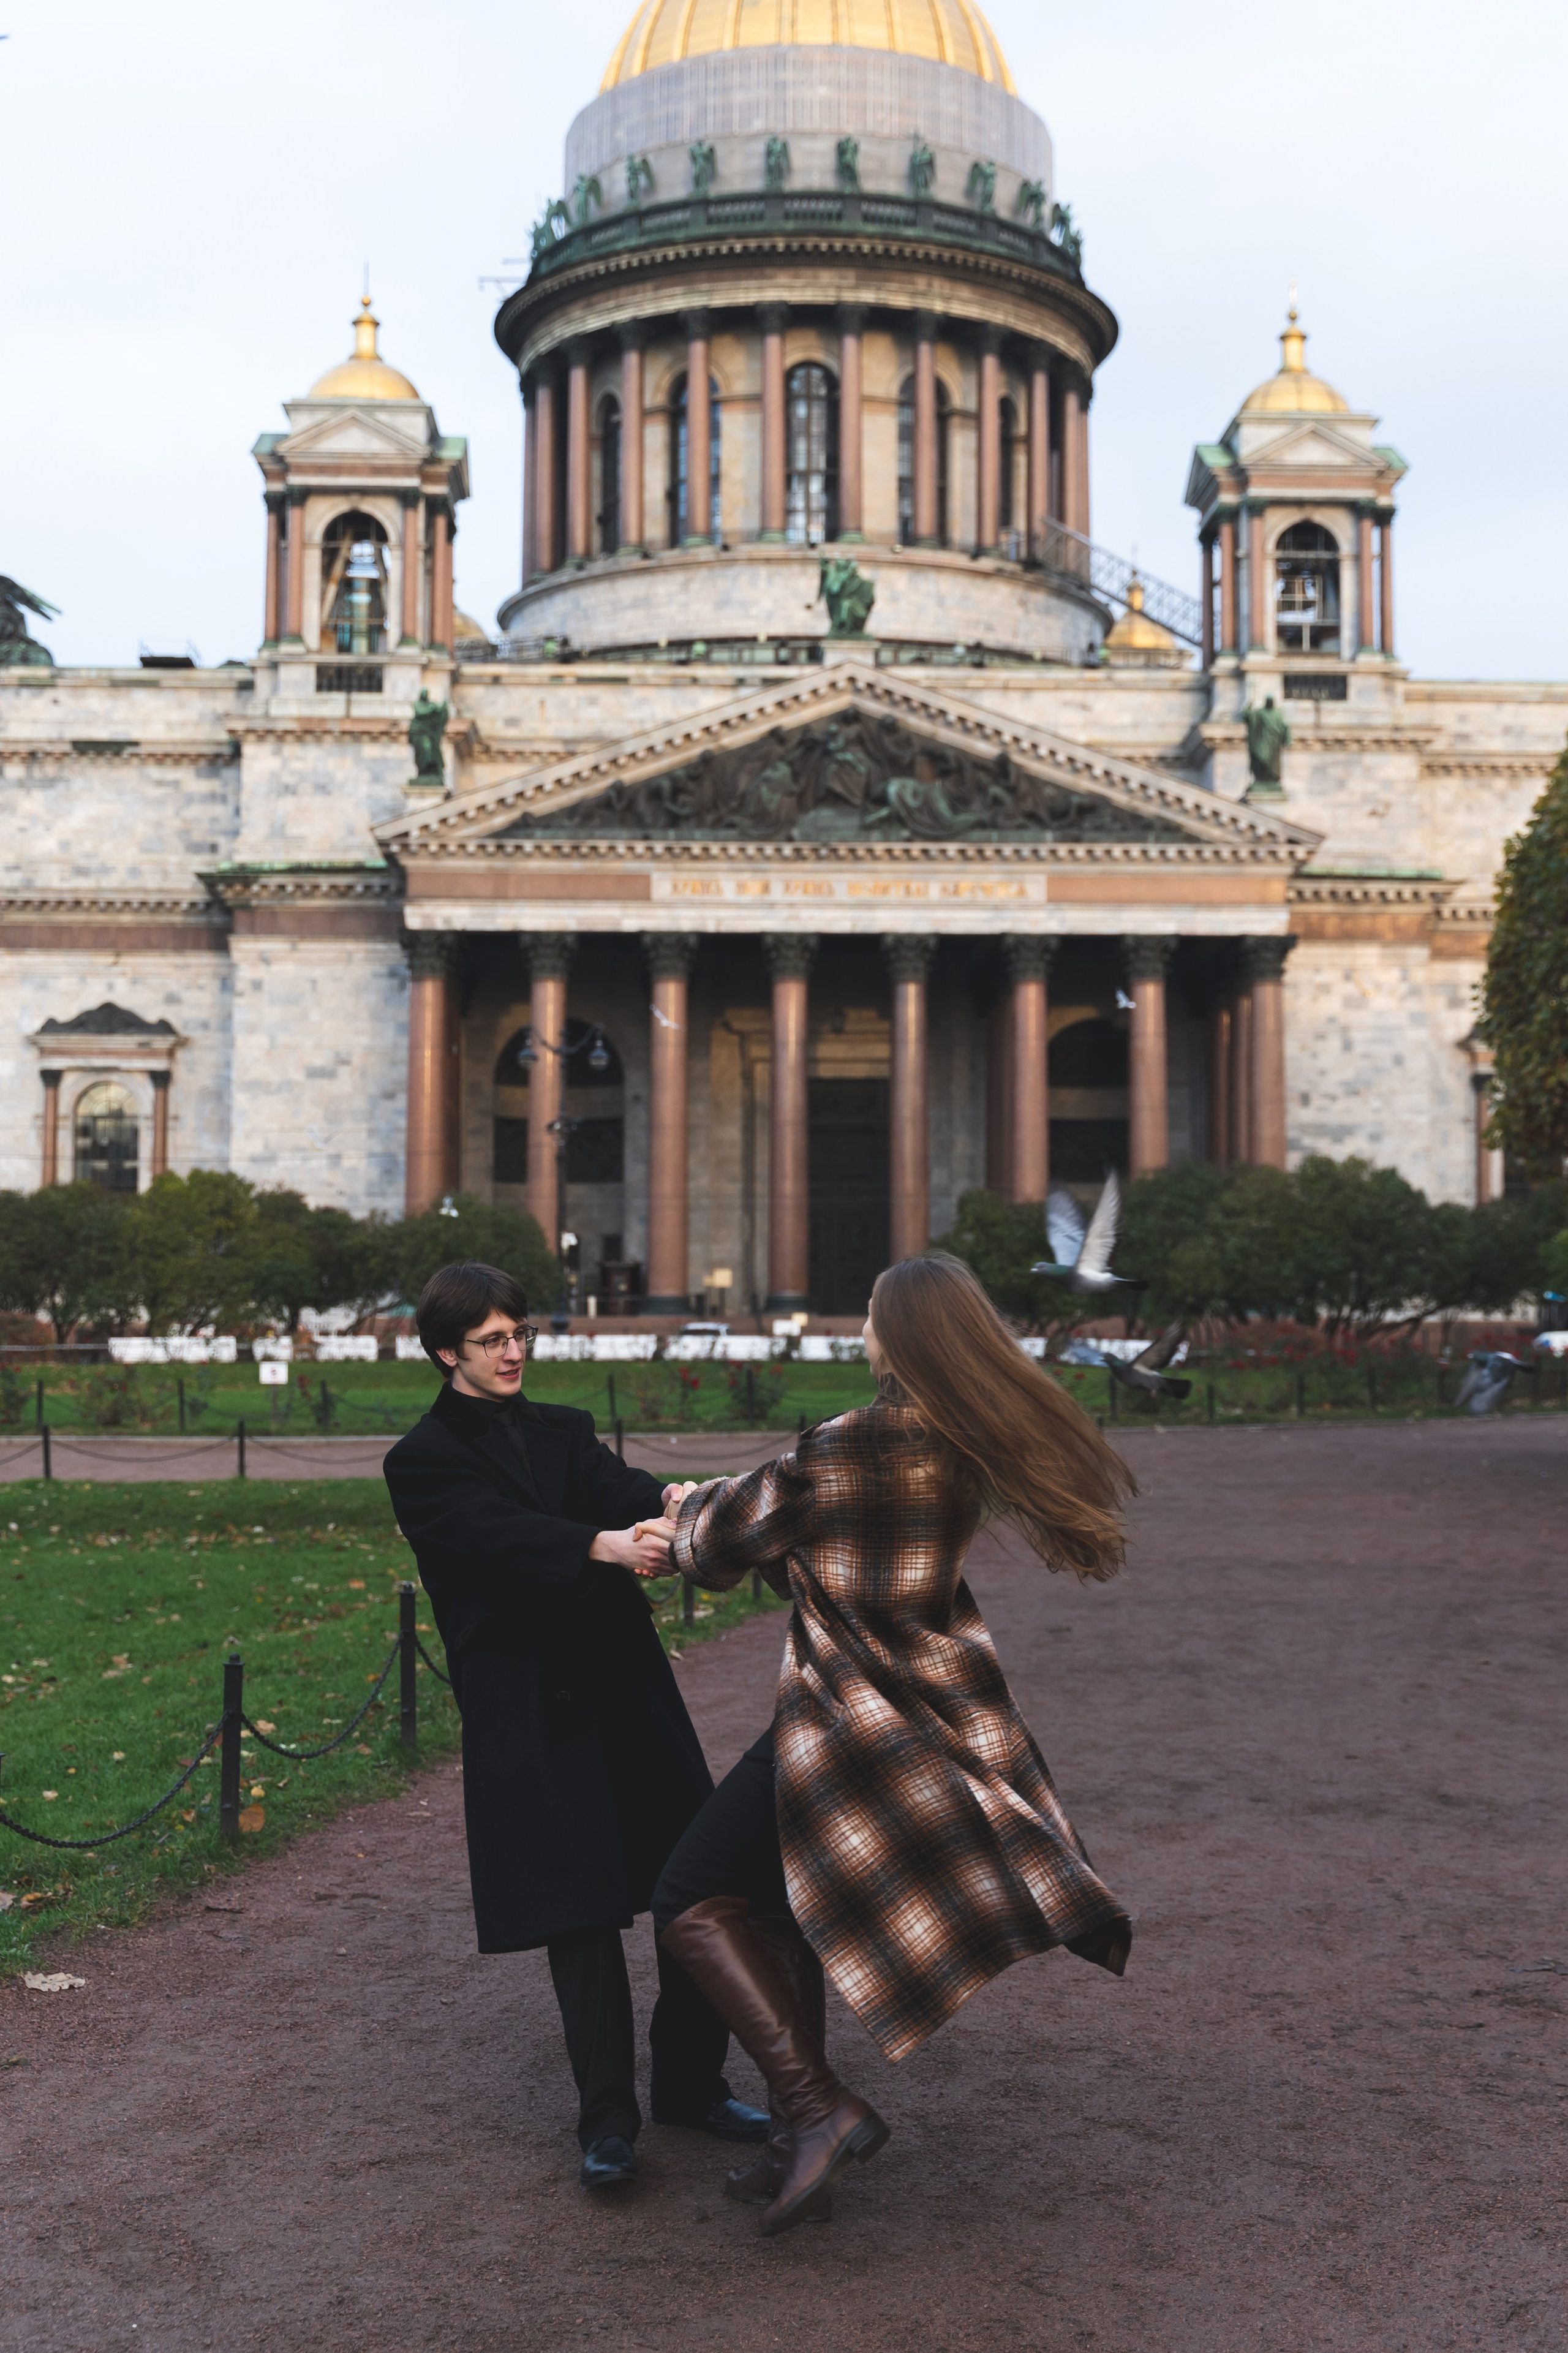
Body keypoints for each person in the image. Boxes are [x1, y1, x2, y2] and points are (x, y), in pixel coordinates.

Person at [641, 1251, 1137, 2238]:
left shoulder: (851, 1443)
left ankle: (819, 2106)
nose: (863, 1328)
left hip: (840, 1716)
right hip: (915, 1709)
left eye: (870, 1313)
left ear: (899, 1334)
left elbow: (720, 1544)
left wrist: (681, 1509)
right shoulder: (955, 1448)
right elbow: (822, 1559)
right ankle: (798, 2138)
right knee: (788, 1908)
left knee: (689, 1897)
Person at [382, 1261, 766, 2191]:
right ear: (447, 1353)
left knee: (695, 1879)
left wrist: (672, 1504)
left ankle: (691, 2084)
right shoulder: (420, 1460)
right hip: (529, 1705)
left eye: (520, 1334)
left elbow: (615, 1485)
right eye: (492, 1341)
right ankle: (606, 2123)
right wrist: (595, 1544)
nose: (514, 1351)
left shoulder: (564, 1429)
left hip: (624, 1689)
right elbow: (489, 1532)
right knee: (580, 1913)